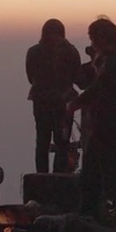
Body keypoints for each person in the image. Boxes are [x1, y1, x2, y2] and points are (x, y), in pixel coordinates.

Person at [68, 17, 116, 219]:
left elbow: (99, 89)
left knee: (100, 176)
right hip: (109, 127)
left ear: (101, 39)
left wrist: (75, 104)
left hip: (111, 129)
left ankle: (101, 218)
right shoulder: (115, 61)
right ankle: (99, 216)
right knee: (97, 176)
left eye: (93, 39)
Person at [26, 19, 82, 174]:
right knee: (62, 142)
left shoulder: (33, 52)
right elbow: (77, 76)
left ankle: (41, 177)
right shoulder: (71, 51)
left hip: (40, 101)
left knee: (42, 141)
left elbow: (31, 78)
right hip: (63, 103)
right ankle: (59, 177)